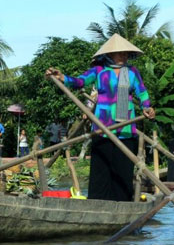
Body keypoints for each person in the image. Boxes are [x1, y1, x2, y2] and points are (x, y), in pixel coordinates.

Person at [46, 33, 155, 201]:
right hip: (103, 126)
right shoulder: (99, 70)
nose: (123, 56)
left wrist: (147, 108)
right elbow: (79, 81)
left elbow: (142, 92)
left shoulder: (131, 72)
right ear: (110, 54)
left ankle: (122, 205)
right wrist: (62, 78)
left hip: (126, 127)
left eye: (126, 53)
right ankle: (98, 203)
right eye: (120, 53)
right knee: (101, 169)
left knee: (123, 170)